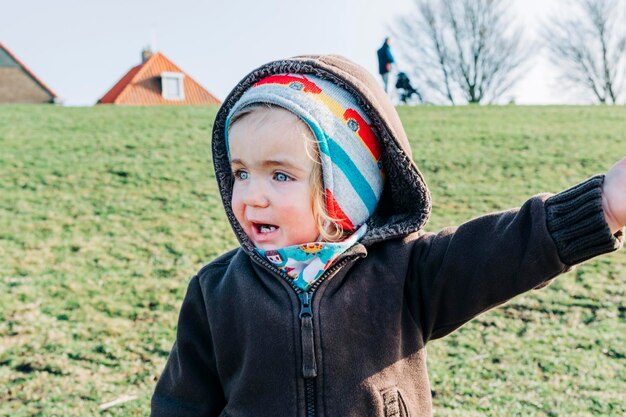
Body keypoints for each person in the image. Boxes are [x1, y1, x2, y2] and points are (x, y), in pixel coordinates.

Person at [150, 55, 625, 417]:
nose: (252, 195)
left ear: (346, 192)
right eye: (241, 173)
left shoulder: (405, 272)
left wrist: (602, 205)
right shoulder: (216, 292)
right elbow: (180, 403)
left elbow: (503, 251)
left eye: (279, 176)